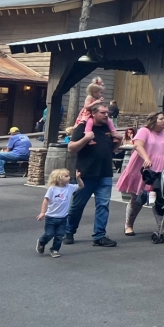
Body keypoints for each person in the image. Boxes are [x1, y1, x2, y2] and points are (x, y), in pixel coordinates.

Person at [115, 111, 164, 236]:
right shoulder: (145, 131)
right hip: (144, 168)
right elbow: (138, 146)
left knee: (158, 197)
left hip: (160, 168)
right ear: (154, 120)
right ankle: (128, 225)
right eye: (161, 118)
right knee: (137, 198)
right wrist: (146, 158)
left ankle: (161, 227)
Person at [64, 102, 120, 247]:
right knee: (78, 205)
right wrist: (86, 138)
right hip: (86, 174)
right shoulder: (82, 128)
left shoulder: (108, 128)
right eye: (103, 113)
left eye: (107, 113)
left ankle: (99, 236)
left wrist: (118, 141)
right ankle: (69, 232)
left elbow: (112, 150)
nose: (106, 115)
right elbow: (71, 148)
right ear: (94, 113)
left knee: (103, 205)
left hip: (105, 173)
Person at [35, 168, 79, 258]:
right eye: (66, 176)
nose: (69, 178)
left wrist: (78, 178)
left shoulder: (70, 187)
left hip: (63, 218)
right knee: (49, 234)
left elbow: (81, 186)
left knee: (59, 236)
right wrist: (43, 212)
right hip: (51, 217)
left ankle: (55, 249)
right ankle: (41, 242)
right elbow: (45, 200)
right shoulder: (52, 189)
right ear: (59, 178)